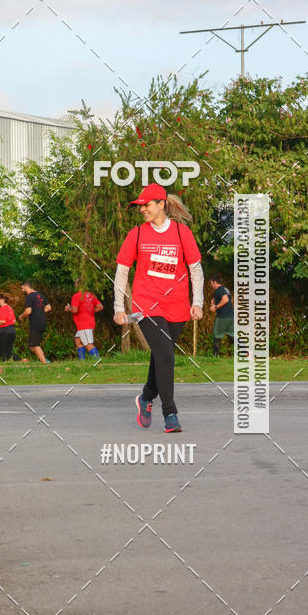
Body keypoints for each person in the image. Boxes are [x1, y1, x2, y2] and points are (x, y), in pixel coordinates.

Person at [113, 183, 204, 433]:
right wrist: (118, 307)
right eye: (140, 206)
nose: (142, 209)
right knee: (166, 355)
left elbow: (195, 269)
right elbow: (122, 271)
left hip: (177, 306)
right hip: (146, 305)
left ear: (161, 204)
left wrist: (197, 302)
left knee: (161, 354)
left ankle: (146, 396)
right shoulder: (137, 235)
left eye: (147, 205)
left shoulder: (182, 233)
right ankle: (170, 413)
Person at [65, 284, 103, 359]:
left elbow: (75, 310)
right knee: (78, 341)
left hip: (83, 324)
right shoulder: (91, 295)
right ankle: (82, 361)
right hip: (90, 322)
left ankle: (98, 361)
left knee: (88, 345)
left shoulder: (76, 296)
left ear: (78, 285)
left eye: (76, 283)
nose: (75, 285)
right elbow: (100, 307)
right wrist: (88, 311)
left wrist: (69, 309)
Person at [19, 281, 52, 364]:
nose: (22, 290)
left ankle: (45, 364)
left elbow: (28, 311)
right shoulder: (40, 295)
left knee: (35, 344)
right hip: (42, 322)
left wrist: (21, 316)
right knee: (31, 345)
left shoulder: (29, 296)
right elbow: (48, 307)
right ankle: (44, 359)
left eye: (22, 288)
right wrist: (39, 312)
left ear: (26, 286)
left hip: (35, 322)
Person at [209, 274, 235, 356]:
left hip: (222, 317)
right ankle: (246, 351)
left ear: (215, 282)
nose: (211, 285)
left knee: (217, 337)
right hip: (230, 316)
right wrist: (215, 301)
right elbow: (229, 300)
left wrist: (216, 307)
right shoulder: (225, 289)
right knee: (232, 336)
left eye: (211, 283)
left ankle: (215, 357)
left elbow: (225, 299)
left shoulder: (219, 289)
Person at [0, 293, 20, 361]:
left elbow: (3, 321)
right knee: (4, 349)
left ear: (2, 300)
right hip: (11, 330)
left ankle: (19, 360)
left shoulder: (4, 308)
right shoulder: (10, 308)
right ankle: (19, 360)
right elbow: (14, 320)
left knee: (4, 352)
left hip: (5, 331)